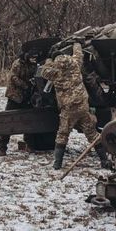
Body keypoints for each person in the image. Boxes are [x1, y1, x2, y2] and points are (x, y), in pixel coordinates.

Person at [40, 42, 110, 170]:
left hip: (68, 109)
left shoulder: (54, 71)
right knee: (92, 133)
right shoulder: (75, 64)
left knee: (62, 134)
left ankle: (57, 164)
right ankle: (104, 160)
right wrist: (77, 44)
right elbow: (79, 54)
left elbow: (43, 71)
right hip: (82, 106)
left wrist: (49, 59)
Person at [0, 52, 37, 156]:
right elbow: (13, 78)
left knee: (29, 121)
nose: (33, 59)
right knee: (8, 121)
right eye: (32, 57)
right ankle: (2, 148)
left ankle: (30, 145)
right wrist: (26, 85)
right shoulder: (18, 64)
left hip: (25, 97)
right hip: (15, 97)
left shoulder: (32, 65)